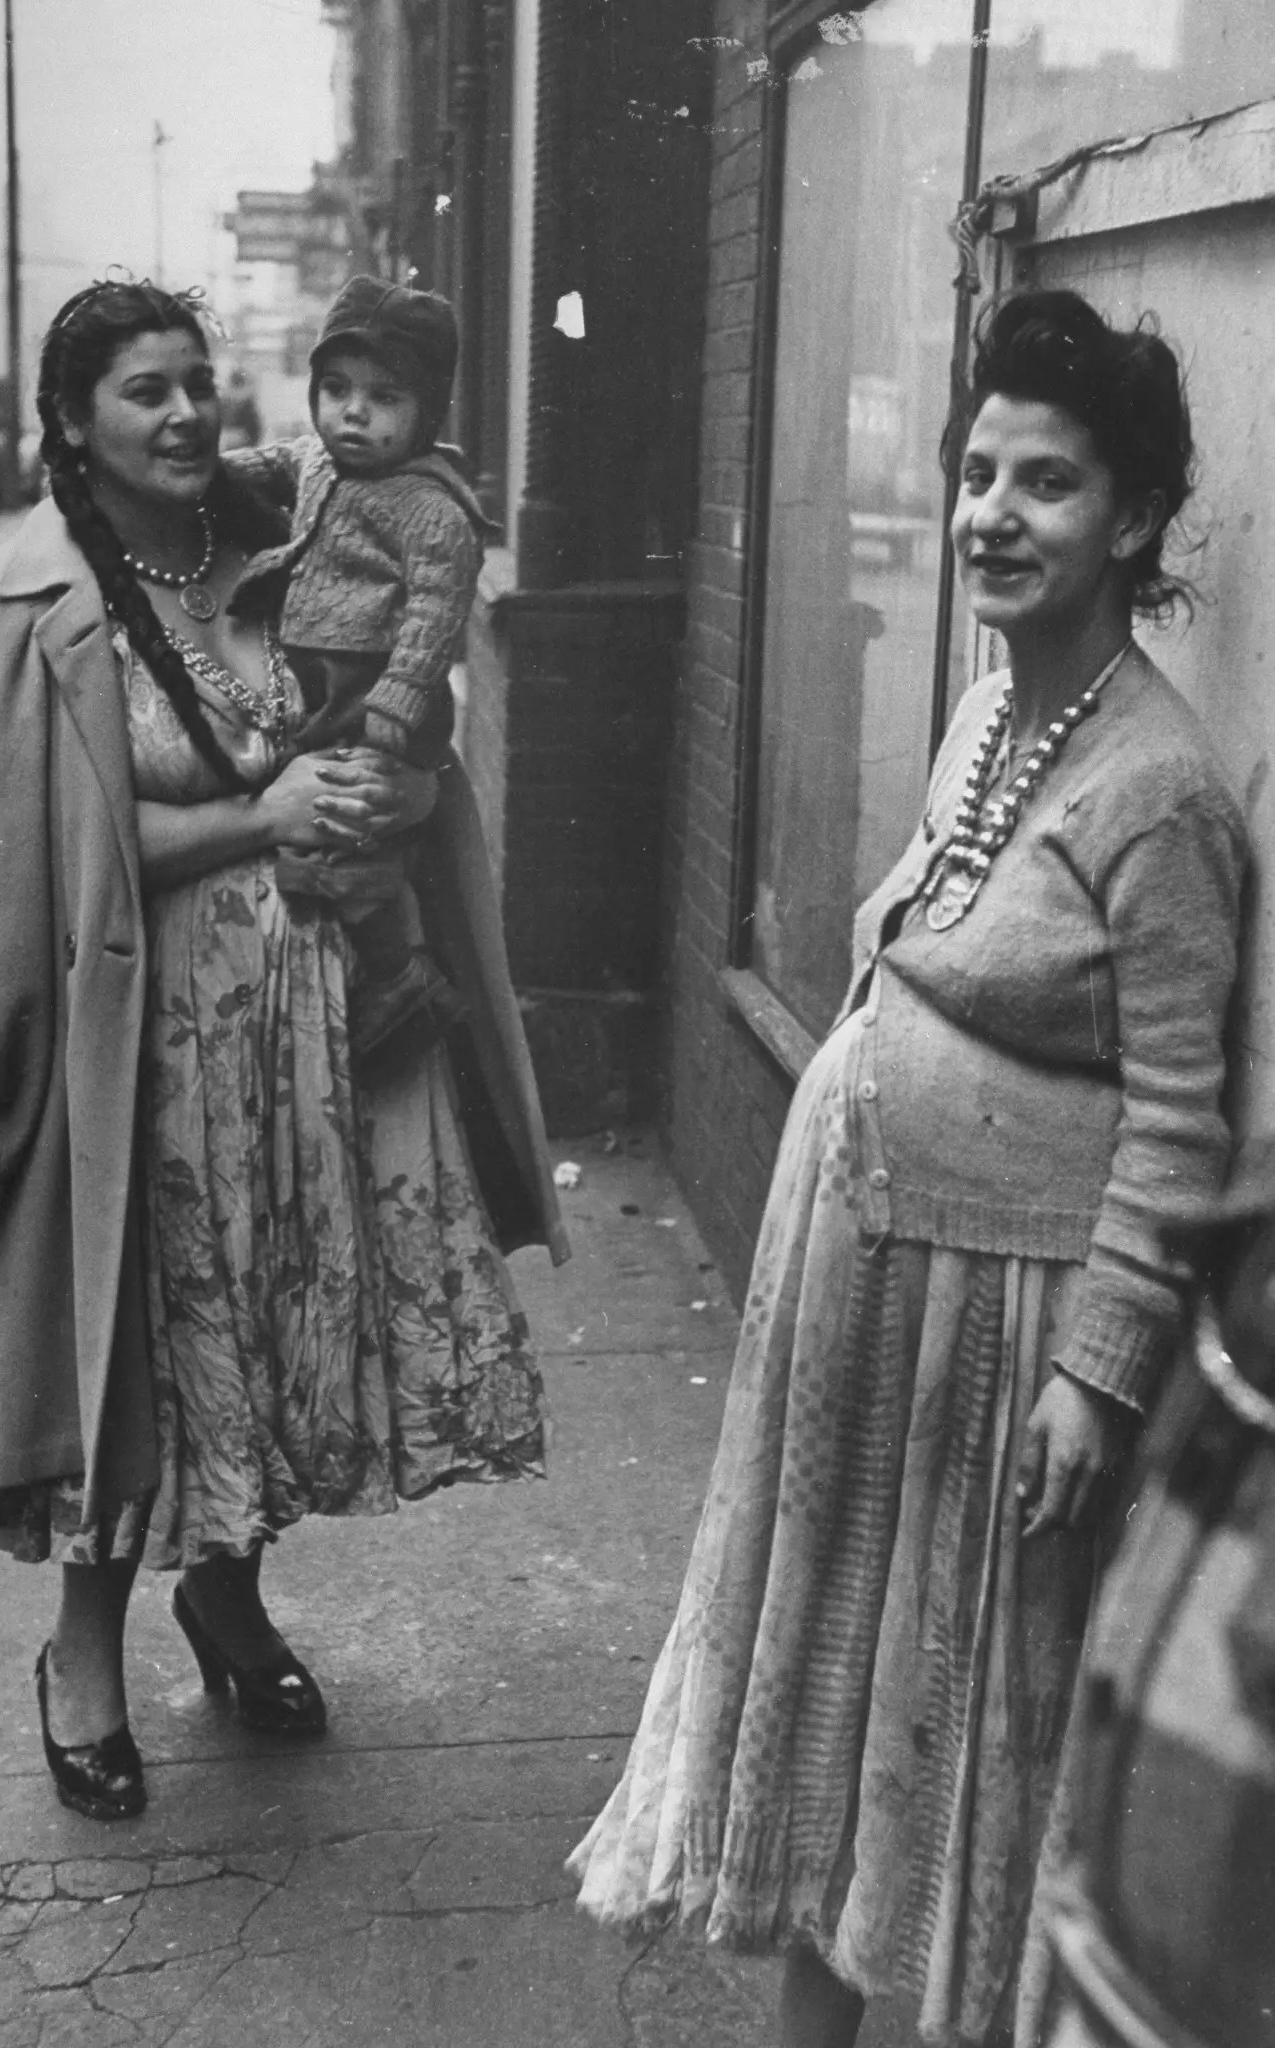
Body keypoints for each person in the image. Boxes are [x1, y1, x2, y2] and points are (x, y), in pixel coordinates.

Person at [569, 289, 1248, 2048]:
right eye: (977, 472)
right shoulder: (979, 712)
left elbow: (1184, 1115)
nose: (994, 515)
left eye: (1050, 482)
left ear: (1138, 520)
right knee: (839, 1705)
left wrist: (1098, 1379)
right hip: (867, 1306)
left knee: (955, 1737)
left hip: (1004, 1346)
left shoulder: (1160, 789)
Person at [0, 277, 568, 1825]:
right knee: (135, 1347)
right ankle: (80, 1661)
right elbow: (37, 863)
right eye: (143, 391)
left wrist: (388, 808)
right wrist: (261, 817)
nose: (181, 415)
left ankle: (223, 1599)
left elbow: (402, 728)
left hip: (308, 1039)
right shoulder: (32, 608)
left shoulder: (288, 532)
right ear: (73, 423)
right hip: (137, 1053)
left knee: (270, 1320)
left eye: (197, 385)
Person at [226, 276, 489, 1066]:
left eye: (383, 397)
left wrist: (399, 700)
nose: (352, 412)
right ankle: (362, 962)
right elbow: (264, 466)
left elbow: (437, 608)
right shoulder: (316, 459)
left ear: (428, 409)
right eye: (335, 389)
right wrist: (209, 475)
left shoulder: (429, 507)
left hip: (372, 686)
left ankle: (397, 975)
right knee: (309, 802)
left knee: (351, 816)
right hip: (315, 672)